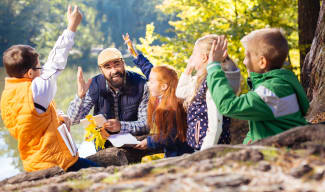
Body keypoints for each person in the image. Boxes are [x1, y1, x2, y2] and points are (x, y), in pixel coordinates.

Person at [1, 5, 99, 172]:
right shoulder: (36, 90)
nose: (42, 70)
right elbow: (55, 63)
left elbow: (32, 122)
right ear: (30, 73)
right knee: (103, 172)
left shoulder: (7, 96)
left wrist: (59, 116)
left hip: (33, 163)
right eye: (40, 68)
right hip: (58, 163)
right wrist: (72, 27)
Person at [206, 29, 309, 144]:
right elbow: (257, 130)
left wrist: (214, 66)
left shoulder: (272, 92)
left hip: (284, 152)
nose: (244, 62)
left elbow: (228, 105)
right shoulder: (279, 84)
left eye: (247, 56)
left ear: (262, 62)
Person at [67, 42, 149, 151]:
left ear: (123, 63)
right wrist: (80, 96)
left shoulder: (141, 84)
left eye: (117, 64)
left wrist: (121, 126)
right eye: (108, 67)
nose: (114, 71)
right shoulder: (94, 85)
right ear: (101, 70)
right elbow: (73, 120)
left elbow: (146, 124)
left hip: (133, 145)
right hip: (103, 145)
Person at [123, 33, 193, 157]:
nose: (148, 84)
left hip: (179, 155)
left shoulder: (171, 107)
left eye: (151, 82)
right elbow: (150, 70)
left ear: (163, 87)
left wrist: (149, 142)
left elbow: (171, 136)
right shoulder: (165, 94)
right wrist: (134, 54)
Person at [175, 34, 241, 151]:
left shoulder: (211, 84)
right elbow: (180, 92)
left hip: (208, 148)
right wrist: (188, 70)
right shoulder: (202, 79)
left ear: (204, 58)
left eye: (194, 54)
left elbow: (215, 124)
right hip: (201, 145)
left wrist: (205, 153)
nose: (191, 58)